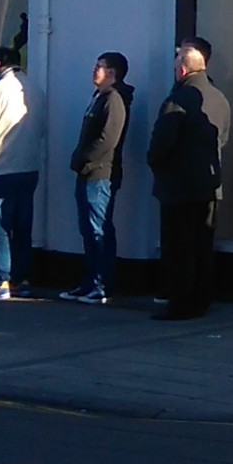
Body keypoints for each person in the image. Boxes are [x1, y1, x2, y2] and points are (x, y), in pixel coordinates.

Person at [146, 41, 231, 320]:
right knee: (202, 244)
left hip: (178, 186)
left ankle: (181, 302)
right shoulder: (219, 97)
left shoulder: (177, 100)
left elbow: (162, 143)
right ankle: (202, 299)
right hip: (208, 185)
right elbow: (224, 138)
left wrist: (156, 164)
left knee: (179, 247)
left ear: (182, 70)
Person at [0, 46, 43, 301]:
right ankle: (20, 279)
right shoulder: (34, 89)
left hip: (3, 167)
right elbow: (41, 126)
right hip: (29, 166)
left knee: (0, 227)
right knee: (23, 227)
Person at [64, 52, 134, 306]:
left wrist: (86, 160)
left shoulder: (114, 100)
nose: (94, 71)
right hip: (89, 173)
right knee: (88, 229)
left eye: (100, 67)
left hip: (101, 174)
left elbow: (108, 139)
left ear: (112, 73)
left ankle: (102, 284)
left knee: (99, 229)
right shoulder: (99, 97)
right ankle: (89, 281)